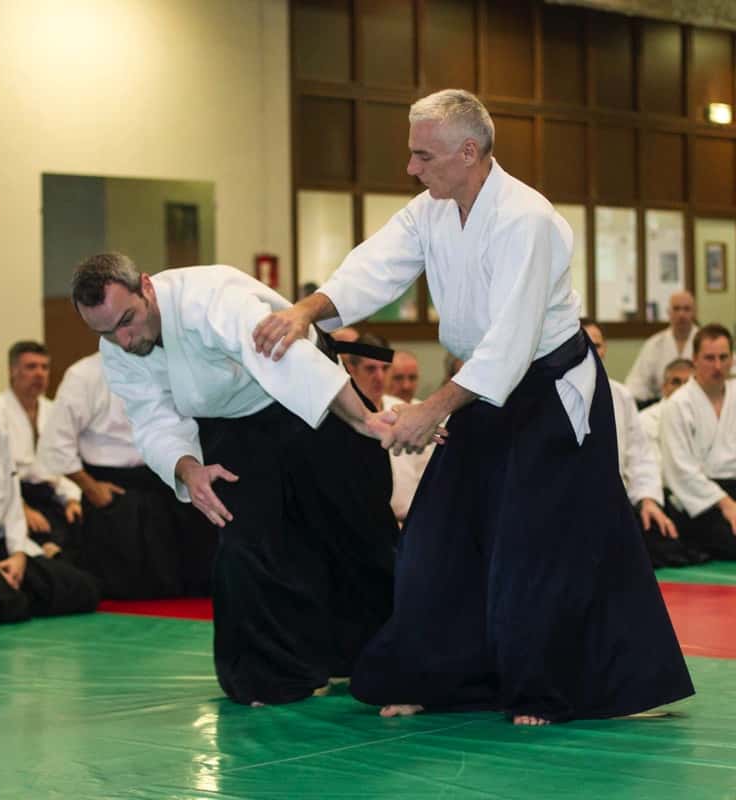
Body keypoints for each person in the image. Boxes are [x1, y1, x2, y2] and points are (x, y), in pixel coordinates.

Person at [253, 88, 693, 725]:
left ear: (469, 151)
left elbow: (511, 344)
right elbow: (373, 268)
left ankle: (547, 687)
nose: (411, 167)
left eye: (421, 154)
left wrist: (431, 411)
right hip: (482, 392)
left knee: (537, 547)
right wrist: (305, 311)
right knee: (437, 536)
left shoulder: (528, 219)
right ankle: (432, 676)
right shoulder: (431, 209)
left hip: (547, 393)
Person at [71, 254, 403, 706]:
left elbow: (288, 360)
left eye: (127, 321)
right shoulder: (118, 346)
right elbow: (151, 416)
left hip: (313, 399)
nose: (123, 340)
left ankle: (377, 656)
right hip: (233, 422)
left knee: (353, 528)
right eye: (106, 332)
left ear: (146, 287)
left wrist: (363, 420)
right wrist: (187, 467)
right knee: (247, 543)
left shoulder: (211, 299)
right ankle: (273, 675)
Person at [0, 330, 99, 626]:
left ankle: (7, 580)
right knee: (2, 601)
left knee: (83, 589)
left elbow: (12, 496)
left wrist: (18, 552)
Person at [38, 352, 217, 599]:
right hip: (112, 490)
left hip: (161, 480)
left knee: (189, 583)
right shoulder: (83, 374)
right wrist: (90, 488)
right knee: (123, 588)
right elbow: (56, 444)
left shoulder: (165, 364)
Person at [583, 321, 704, 568]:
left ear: (605, 349)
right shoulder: (555, 396)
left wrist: (648, 499)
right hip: (581, 503)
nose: (592, 352)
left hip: (620, 499)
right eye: (585, 346)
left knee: (666, 542)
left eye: (597, 345)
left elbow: (640, 456)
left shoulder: (621, 395)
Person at [0, 341, 82, 556]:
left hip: (49, 494)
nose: (39, 373)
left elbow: (64, 463)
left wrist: (72, 498)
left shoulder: (54, 410)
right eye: (31, 367)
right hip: (12, 496)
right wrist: (22, 509)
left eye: (44, 367)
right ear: (12, 371)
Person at [661, 324, 736, 560]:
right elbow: (680, 471)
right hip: (700, 500)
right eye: (709, 358)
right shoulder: (678, 405)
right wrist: (726, 504)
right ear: (694, 359)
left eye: (723, 357)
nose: (717, 366)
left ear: (732, 358)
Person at [343, 335, 430, 525]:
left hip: (411, 521)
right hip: (363, 523)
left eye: (385, 368)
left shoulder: (403, 411)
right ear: (351, 369)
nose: (380, 377)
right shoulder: (341, 416)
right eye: (370, 369)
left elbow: (425, 471)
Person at [625, 291, 697, 405]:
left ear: (694, 312)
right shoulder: (654, 344)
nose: (681, 314)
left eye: (686, 309)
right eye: (676, 309)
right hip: (661, 405)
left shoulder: (706, 343)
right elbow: (636, 384)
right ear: (669, 312)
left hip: (698, 403)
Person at [639, 358, 694, 469]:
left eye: (688, 383)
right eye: (676, 382)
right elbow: (651, 468)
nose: (682, 389)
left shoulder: (706, 417)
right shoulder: (645, 420)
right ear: (664, 387)